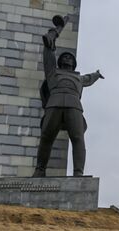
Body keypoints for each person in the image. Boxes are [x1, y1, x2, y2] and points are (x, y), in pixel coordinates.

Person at [33, 15, 104, 177]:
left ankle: (78, 173)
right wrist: (53, 34)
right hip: (54, 104)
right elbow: (48, 49)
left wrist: (96, 74)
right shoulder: (52, 72)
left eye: (70, 58)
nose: (67, 58)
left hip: (74, 106)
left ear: (74, 64)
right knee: (46, 137)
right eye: (64, 56)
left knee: (78, 138)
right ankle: (40, 169)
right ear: (59, 62)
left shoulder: (79, 77)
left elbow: (89, 79)